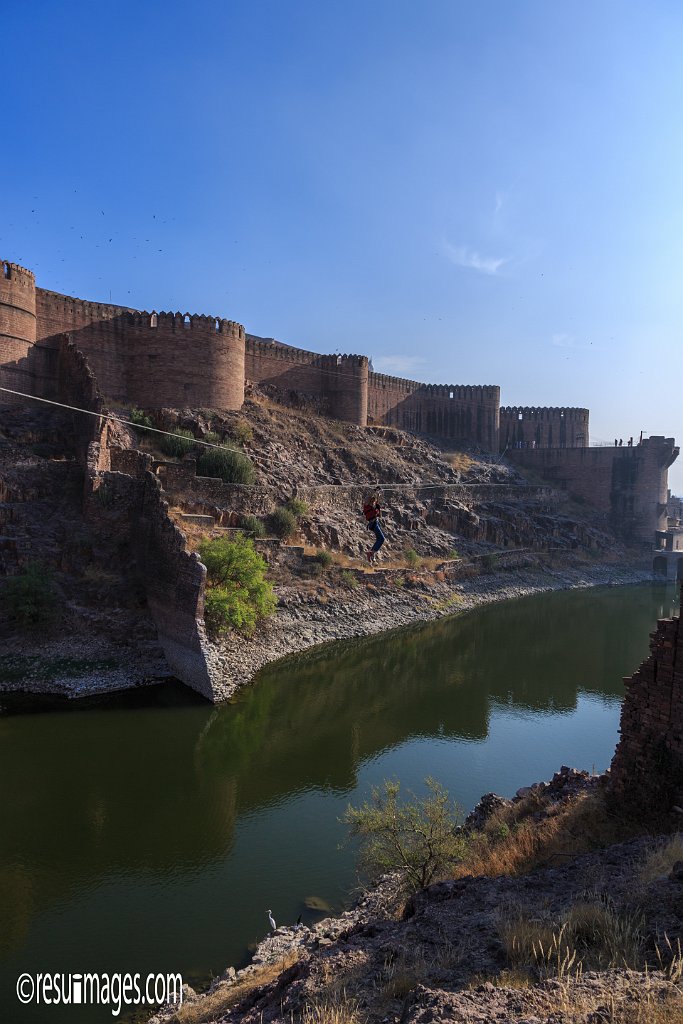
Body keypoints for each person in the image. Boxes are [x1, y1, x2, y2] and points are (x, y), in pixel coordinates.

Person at [362, 491, 385, 563]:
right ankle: (371, 553)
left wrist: (377, 494)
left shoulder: (374, 506)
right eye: (373, 500)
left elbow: (379, 514)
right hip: (373, 523)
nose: (374, 501)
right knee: (381, 539)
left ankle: (371, 553)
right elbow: (368, 497)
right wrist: (374, 491)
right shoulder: (368, 505)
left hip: (374, 523)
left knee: (379, 539)